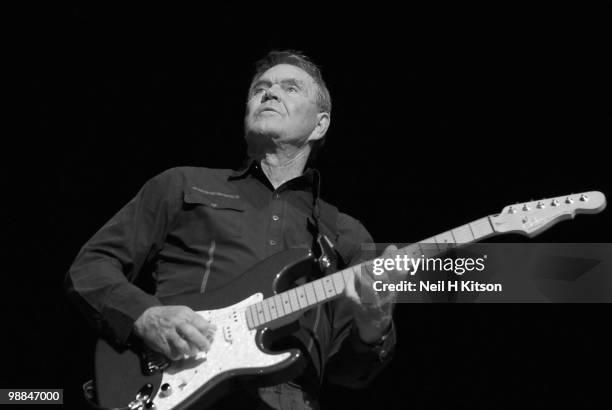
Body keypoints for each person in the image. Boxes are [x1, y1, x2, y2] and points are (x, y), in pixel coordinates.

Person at [66, 50, 402, 409]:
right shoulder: (180, 184)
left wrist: (374, 324)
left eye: (290, 88)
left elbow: (348, 373)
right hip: (170, 387)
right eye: (261, 88)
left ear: (320, 124)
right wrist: (143, 315)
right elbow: (90, 268)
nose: (270, 93)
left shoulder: (347, 234)